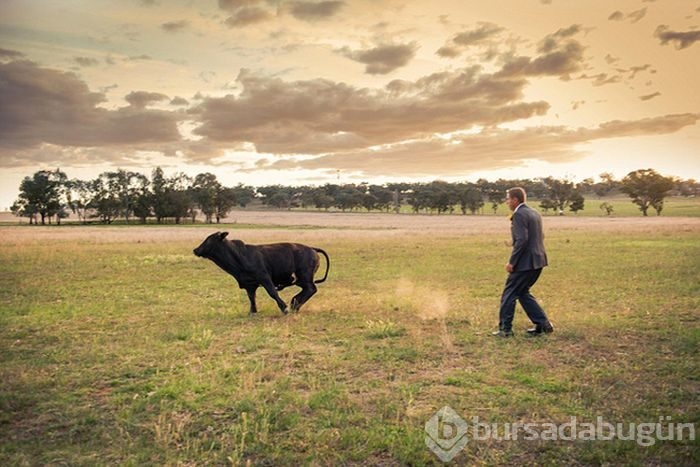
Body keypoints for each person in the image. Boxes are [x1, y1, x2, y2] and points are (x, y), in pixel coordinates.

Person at [493, 187, 554, 337]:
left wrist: (512, 262)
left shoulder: (519, 214)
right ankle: (543, 324)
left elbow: (522, 239)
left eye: (508, 199)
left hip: (525, 263)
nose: (506, 202)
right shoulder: (534, 213)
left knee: (509, 293)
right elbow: (539, 236)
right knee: (522, 292)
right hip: (538, 260)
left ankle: (505, 329)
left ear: (515, 200)